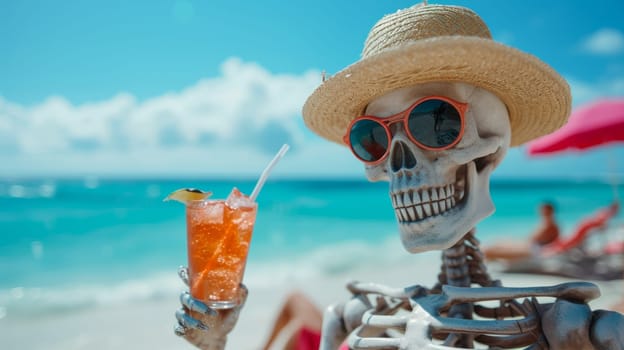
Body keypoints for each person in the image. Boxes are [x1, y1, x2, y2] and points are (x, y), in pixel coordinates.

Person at [483, 202, 560, 262]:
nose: (542, 211)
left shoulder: (550, 225)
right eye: (541, 209)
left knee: (490, 251)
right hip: (531, 247)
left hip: (533, 250)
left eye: (544, 209)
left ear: (551, 211)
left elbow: (538, 242)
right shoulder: (548, 223)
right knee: (497, 243)